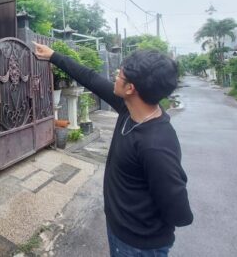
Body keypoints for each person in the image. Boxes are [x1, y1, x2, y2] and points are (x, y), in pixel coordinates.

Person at [33, 42, 193, 257]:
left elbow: (179, 212)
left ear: (130, 88)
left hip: (140, 246)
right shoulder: (129, 109)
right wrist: (53, 55)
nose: (116, 75)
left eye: (120, 74)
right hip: (119, 232)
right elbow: (90, 77)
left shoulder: (156, 144)